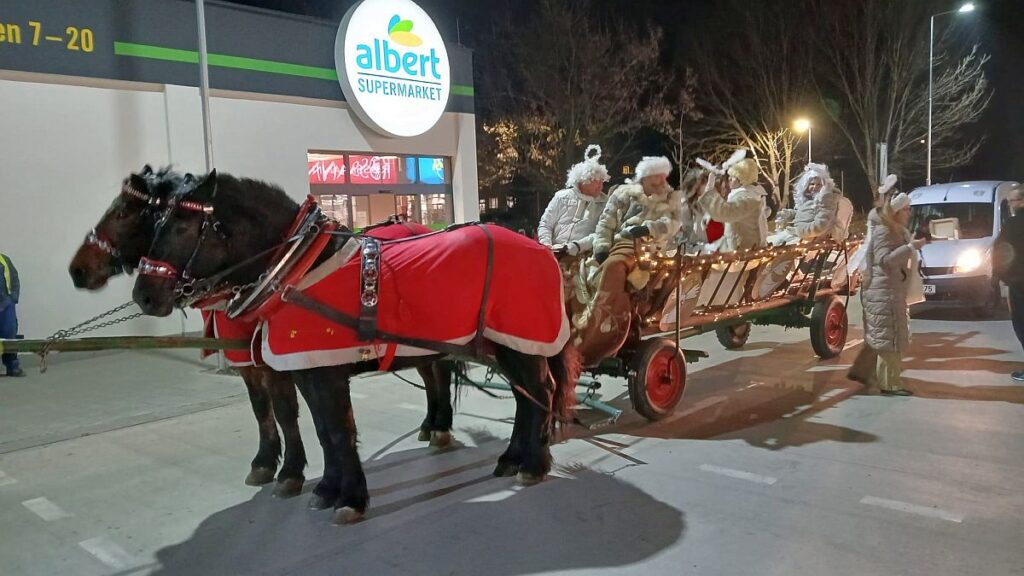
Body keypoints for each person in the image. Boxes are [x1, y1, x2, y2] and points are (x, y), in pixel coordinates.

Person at [576, 156, 682, 364]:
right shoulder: (623, 194)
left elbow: (673, 223)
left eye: (662, 178)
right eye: (654, 179)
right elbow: (605, 223)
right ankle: (576, 324)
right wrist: (601, 249)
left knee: (615, 268)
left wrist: (649, 229)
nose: (660, 183)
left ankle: (604, 330)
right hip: (618, 243)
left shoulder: (671, 198)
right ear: (644, 177)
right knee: (571, 270)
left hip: (648, 248)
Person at [848, 176, 927, 396]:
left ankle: (863, 372)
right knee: (889, 340)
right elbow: (885, 259)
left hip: (888, 290)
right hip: (884, 291)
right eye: (907, 209)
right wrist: (910, 247)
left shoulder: (895, 230)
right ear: (896, 211)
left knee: (881, 337)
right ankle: (890, 384)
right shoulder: (885, 230)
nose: (909, 213)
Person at [537, 144, 610, 257]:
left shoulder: (605, 204)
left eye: (602, 181)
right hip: (552, 252)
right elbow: (545, 224)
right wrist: (546, 246)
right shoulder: (561, 197)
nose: (600, 185)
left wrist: (578, 246)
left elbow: (602, 232)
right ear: (583, 180)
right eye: (596, 181)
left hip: (583, 255)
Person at [698, 151, 769, 253]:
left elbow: (725, 212)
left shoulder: (748, 199)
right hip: (742, 250)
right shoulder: (747, 197)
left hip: (744, 255)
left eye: (734, 176)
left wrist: (709, 190)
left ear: (742, 179)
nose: (730, 179)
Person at [992, 183, 1024, 381]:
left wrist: (1000, 277)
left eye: (1012, 201)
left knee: (1021, 324)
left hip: (1019, 283)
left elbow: (1002, 252)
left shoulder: (1013, 225)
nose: (1010, 205)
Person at [770, 163, 843, 244]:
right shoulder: (810, 200)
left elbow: (819, 227)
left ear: (825, 187)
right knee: (769, 241)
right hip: (798, 236)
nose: (815, 187)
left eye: (819, 184)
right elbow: (806, 215)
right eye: (812, 184)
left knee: (771, 245)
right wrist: (790, 214)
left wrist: (798, 231)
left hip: (806, 240)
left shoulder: (827, 202)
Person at [0, 252, 24, 377]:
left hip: (6, 306)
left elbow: (14, 278)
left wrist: (13, 298)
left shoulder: (4, 260)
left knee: (9, 334)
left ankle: (12, 366)